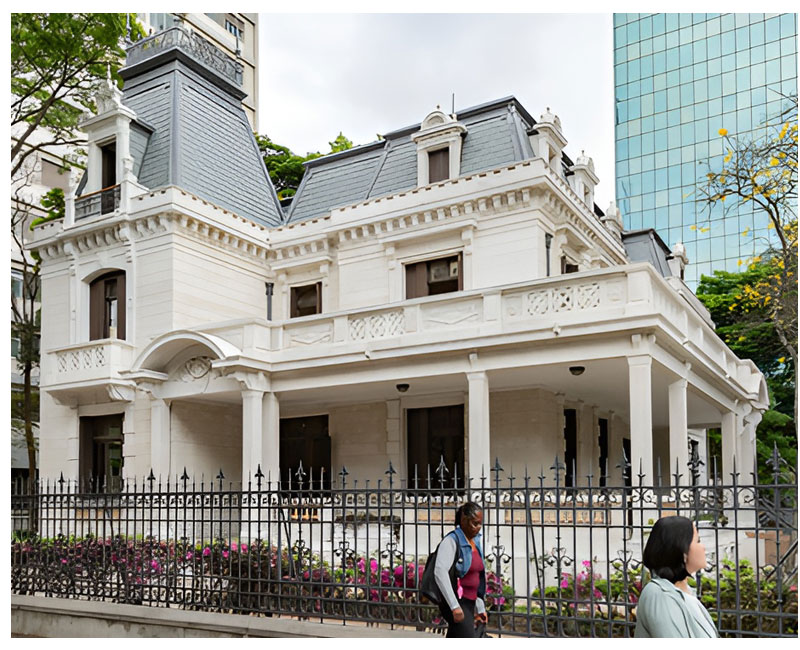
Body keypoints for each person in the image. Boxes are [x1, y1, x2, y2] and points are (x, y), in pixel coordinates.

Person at [635, 515, 719, 638]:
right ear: (682, 550)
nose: (703, 547)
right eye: (698, 541)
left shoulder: (686, 593)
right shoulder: (660, 595)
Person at [433, 501, 488, 637]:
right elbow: (440, 571)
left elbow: (477, 575)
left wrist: (480, 606)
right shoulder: (451, 541)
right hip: (459, 602)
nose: (478, 528)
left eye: (480, 523)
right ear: (463, 520)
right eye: (475, 523)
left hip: (471, 602)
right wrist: (454, 606)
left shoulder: (476, 542)